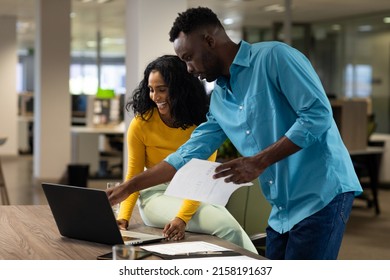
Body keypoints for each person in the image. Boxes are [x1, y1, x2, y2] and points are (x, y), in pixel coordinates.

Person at [107, 7, 362, 259]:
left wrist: (259, 161)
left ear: (209, 41)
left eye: (188, 57)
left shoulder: (275, 57)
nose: (188, 69)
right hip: (281, 208)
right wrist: (129, 187)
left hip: (321, 194)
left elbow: (317, 115)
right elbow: (187, 154)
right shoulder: (220, 98)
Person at [116, 54, 257, 253]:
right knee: (226, 224)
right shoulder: (141, 125)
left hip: (194, 193)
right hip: (155, 195)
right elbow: (134, 176)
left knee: (225, 223)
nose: (155, 97)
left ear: (180, 89)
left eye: (162, 90)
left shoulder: (204, 127)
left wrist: (182, 217)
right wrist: (123, 217)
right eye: (151, 90)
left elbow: (201, 178)